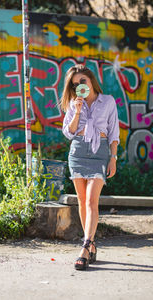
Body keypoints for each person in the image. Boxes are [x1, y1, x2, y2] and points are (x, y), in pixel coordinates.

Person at [61, 64, 120, 270]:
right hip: (77, 152)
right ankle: (91, 244)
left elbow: (114, 133)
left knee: (91, 200)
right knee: (82, 200)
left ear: (91, 80)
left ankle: (85, 246)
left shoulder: (108, 102)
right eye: (75, 84)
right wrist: (77, 111)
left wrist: (113, 158)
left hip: (100, 152)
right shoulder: (73, 104)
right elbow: (68, 133)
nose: (80, 86)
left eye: (82, 81)